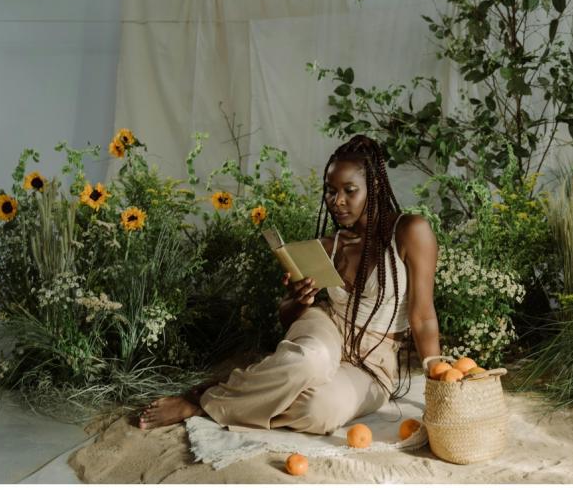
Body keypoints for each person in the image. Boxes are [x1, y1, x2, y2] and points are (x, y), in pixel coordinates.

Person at [138, 134, 441, 434]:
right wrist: (299, 300)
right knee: (310, 360)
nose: (337, 201)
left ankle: (252, 388)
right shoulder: (327, 246)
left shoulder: (411, 231)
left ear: (374, 187)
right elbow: (288, 318)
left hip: (374, 362)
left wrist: (436, 381)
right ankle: (203, 401)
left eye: (350, 191)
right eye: (330, 191)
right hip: (327, 329)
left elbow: (423, 317)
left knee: (316, 412)